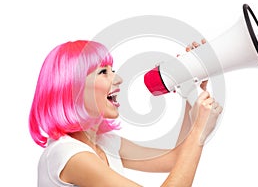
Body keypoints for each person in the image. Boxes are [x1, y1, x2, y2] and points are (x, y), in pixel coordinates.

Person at [29, 40, 223, 186]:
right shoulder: (68, 154)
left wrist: (189, 89)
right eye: (103, 72)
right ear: (73, 89)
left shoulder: (105, 142)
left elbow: (175, 160)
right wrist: (198, 131)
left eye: (112, 70)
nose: (119, 78)